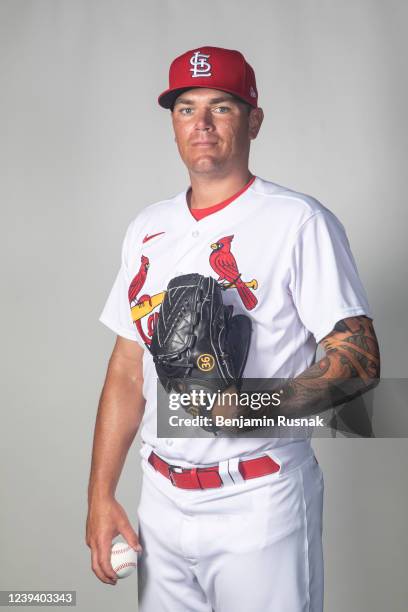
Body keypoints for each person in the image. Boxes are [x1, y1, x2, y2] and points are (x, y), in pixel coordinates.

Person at [86, 46, 380, 611]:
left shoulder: (298, 222)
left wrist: (248, 408)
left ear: (254, 120)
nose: (201, 123)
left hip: (259, 497)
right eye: (185, 108)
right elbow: (127, 368)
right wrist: (101, 494)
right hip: (160, 499)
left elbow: (360, 360)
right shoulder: (148, 227)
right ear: (172, 123)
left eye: (221, 107)